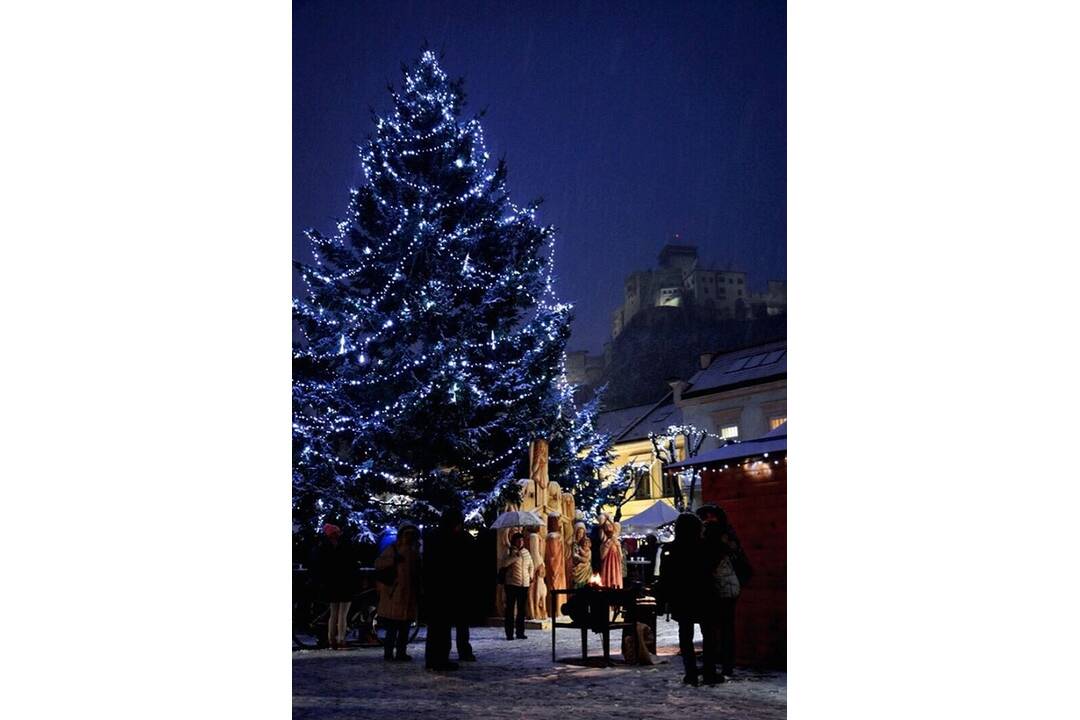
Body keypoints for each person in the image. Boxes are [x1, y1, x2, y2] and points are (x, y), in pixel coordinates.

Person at [658, 512, 717, 686]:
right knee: (708, 635)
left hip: (682, 597)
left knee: (685, 635)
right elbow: (710, 570)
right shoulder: (705, 547)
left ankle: (690, 672)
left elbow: (665, 577)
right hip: (703, 595)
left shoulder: (671, 550)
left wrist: (664, 599)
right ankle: (709, 672)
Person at [697, 504, 749, 680]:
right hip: (728, 586)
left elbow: (709, 563)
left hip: (722, 587)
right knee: (723, 628)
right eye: (706, 517)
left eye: (711, 517)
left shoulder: (715, 538)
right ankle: (724, 664)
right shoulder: (726, 535)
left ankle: (723, 664)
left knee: (720, 628)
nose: (709, 520)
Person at [422, 508, 476, 671]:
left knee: (436, 627)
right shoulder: (458, 539)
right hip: (451, 588)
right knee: (444, 626)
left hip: (435, 588)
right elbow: (468, 563)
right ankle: (440, 659)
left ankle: (432, 658)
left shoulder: (433, 537)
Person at [375, 521, 421, 662]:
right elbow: (378, 564)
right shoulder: (394, 550)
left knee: (403, 628)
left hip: (405, 594)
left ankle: (400, 653)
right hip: (394, 593)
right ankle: (390, 653)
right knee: (394, 628)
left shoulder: (414, 552)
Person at [310, 523, 356, 650]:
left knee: (333, 613)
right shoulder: (345, 546)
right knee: (343, 614)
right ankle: (341, 639)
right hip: (345, 583)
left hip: (331, 584)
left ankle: (331, 639)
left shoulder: (323, 548)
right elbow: (351, 564)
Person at [500, 532, 533, 640]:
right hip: (512, 584)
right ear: (514, 541)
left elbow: (531, 565)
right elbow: (504, 564)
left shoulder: (526, 552)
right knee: (510, 610)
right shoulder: (509, 551)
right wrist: (514, 557)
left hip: (524, 584)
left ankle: (520, 632)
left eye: (522, 540)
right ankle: (509, 633)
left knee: (521, 610)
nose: (520, 542)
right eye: (518, 540)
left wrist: (531, 575)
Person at [599, 520, 623, 589]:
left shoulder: (617, 543)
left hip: (616, 567)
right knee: (607, 583)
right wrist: (608, 544)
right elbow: (602, 556)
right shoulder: (604, 544)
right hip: (607, 567)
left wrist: (618, 546)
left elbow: (621, 556)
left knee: (615, 583)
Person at [571, 522, 592, 588]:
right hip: (577, 567)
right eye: (579, 532)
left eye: (582, 533)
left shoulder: (585, 543)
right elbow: (574, 556)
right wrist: (582, 559)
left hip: (586, 568)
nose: (580, 535)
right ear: (576, 533)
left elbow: (588, 556)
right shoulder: (574, 544)